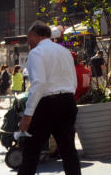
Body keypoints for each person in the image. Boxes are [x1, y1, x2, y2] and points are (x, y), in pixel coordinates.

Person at [18, 21, 80, 175]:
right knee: (68, 151)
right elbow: (73, 80)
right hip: (68, 101)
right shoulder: (64, 51)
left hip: (47, 104)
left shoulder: (36, 52)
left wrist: (27, 115)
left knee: (31, 151)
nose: (28, 41)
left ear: (38, 36)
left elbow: (38, 83)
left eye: (29, 37)